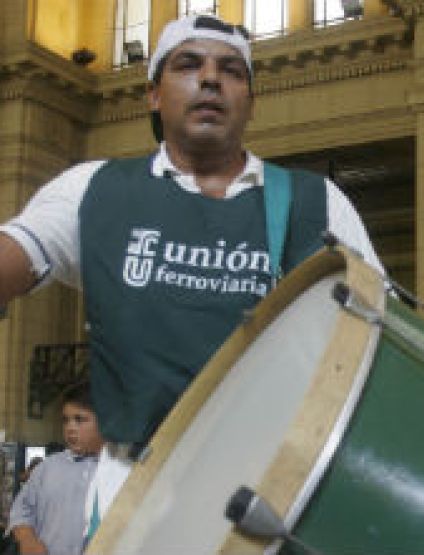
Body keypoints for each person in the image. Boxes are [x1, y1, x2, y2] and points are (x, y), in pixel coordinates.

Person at [0, 13, 382, 528]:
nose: (210, 79)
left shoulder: (315, 203)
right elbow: (16, 253)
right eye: (188, 64)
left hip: (275, 493)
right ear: (154, 94)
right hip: (136, 500)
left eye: (231, 70)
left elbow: (380, 328)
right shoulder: (97, 191)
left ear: (249, 100)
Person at [7, 383, 104, 555]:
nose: (70, 428)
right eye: (65, 420)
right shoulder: (47, 469)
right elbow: (21, 510)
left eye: (80, 419)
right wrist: (27, 540)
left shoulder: (124, 471)